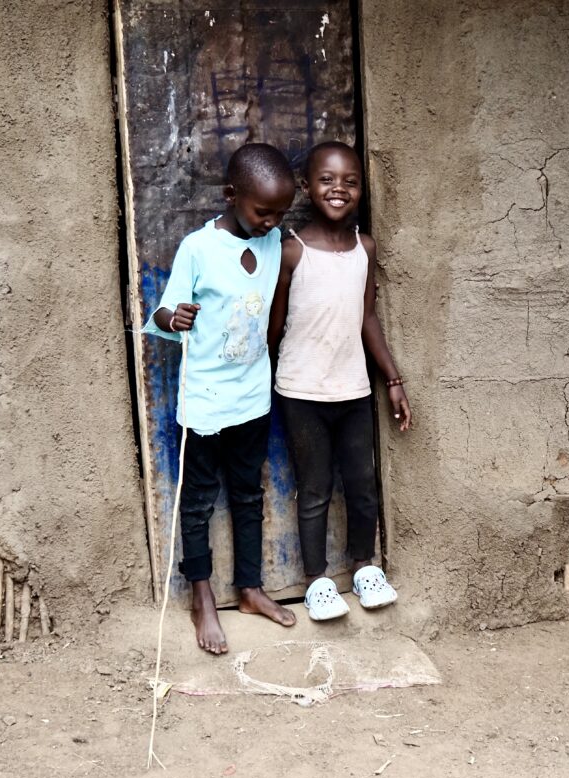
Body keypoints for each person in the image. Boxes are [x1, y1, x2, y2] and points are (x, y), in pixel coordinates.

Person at [143, 143, 298, 654]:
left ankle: (249, 588)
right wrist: (174, 317)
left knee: (249, 495)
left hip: (252, 397)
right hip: (206, 401)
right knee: (198, 503)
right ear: (232, 196)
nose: (272, 221)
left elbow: (275, 299)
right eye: (262, 211)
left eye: (280, 212)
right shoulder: (198, 248)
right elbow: (164, 313)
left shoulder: (274, 241)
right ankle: (202, 597)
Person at [269, 140, 412, 621]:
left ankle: (364, 569)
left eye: (350, 182)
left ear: (361, 190)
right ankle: (316, 582)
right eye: (327, 180)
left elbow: (366, 316)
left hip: (353, 390)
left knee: (362, 483)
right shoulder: (292, 251)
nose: (339, 189)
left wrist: (392, 377)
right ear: (308, 188)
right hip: (302, 392)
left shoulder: (364, 249)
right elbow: (275, 324)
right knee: (314, 489)